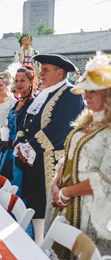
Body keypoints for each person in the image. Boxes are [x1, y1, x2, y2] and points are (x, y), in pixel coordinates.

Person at [46, 52, 111, 258]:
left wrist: (66, 192)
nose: (86, 96)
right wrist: (56, 184)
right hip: (66, 203)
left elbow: (104, 180)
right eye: (85, 91)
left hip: (91, 211)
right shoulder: (87, 122)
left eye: (92, 91)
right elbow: (68, 157)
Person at [14, 54, 84, 244]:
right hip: (34, 160)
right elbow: (25, 121)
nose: (41, 73)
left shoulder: (71, 93)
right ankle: (38, 243)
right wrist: (21, 143)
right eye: (41, 69)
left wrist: (30, 147)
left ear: (60, 72)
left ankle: (50, 246)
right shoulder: (44, 94)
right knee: (36, 202)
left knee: (49, 205)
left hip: (51, 162)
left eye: (45, 69)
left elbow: (61, 127)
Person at [0, 65, 37, 198]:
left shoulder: (33, 104)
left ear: (31, 82)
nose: (18, 84)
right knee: (1, 185)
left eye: (22, 81)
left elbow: (31, 132)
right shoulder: (17, 103)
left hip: (18, 151)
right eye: (16, 81)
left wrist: (13, 143)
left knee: (15, 186)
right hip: (6, 150)